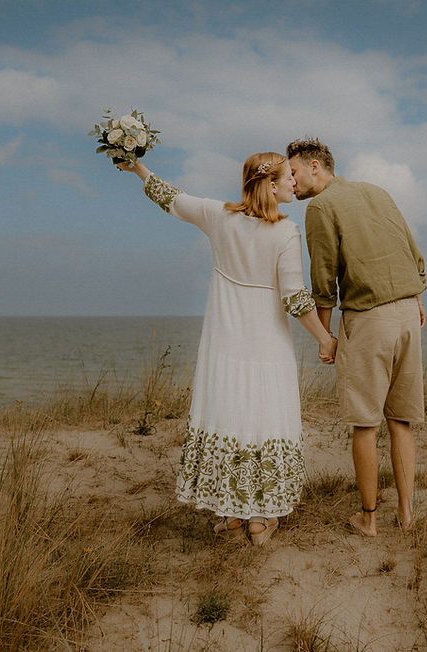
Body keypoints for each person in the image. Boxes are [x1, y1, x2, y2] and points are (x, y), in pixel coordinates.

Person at [117, 152, 337, 545]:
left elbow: (170, 197)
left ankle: (234, 517)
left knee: (232, 417)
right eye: (289, 176)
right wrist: (325, 338)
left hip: (224, 344)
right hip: (267, 347)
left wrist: (136, 166)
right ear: (270, 184)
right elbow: (294, 299)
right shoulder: (286, 232)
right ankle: (259, 520)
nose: (294, 182)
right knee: (264, 419)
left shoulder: (219, 216)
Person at [286, 138, 426, 537]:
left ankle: (368, 519)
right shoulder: (377, 192)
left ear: (315, 166)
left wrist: (324, 336)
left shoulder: (320, 206)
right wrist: (416, 297)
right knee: (400, 421)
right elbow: (411, 250)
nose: (290, 182)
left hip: (369, 320)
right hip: (406, 314)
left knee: (365, 424)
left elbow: (323, 277)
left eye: (293, 173)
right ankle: (407, 514)